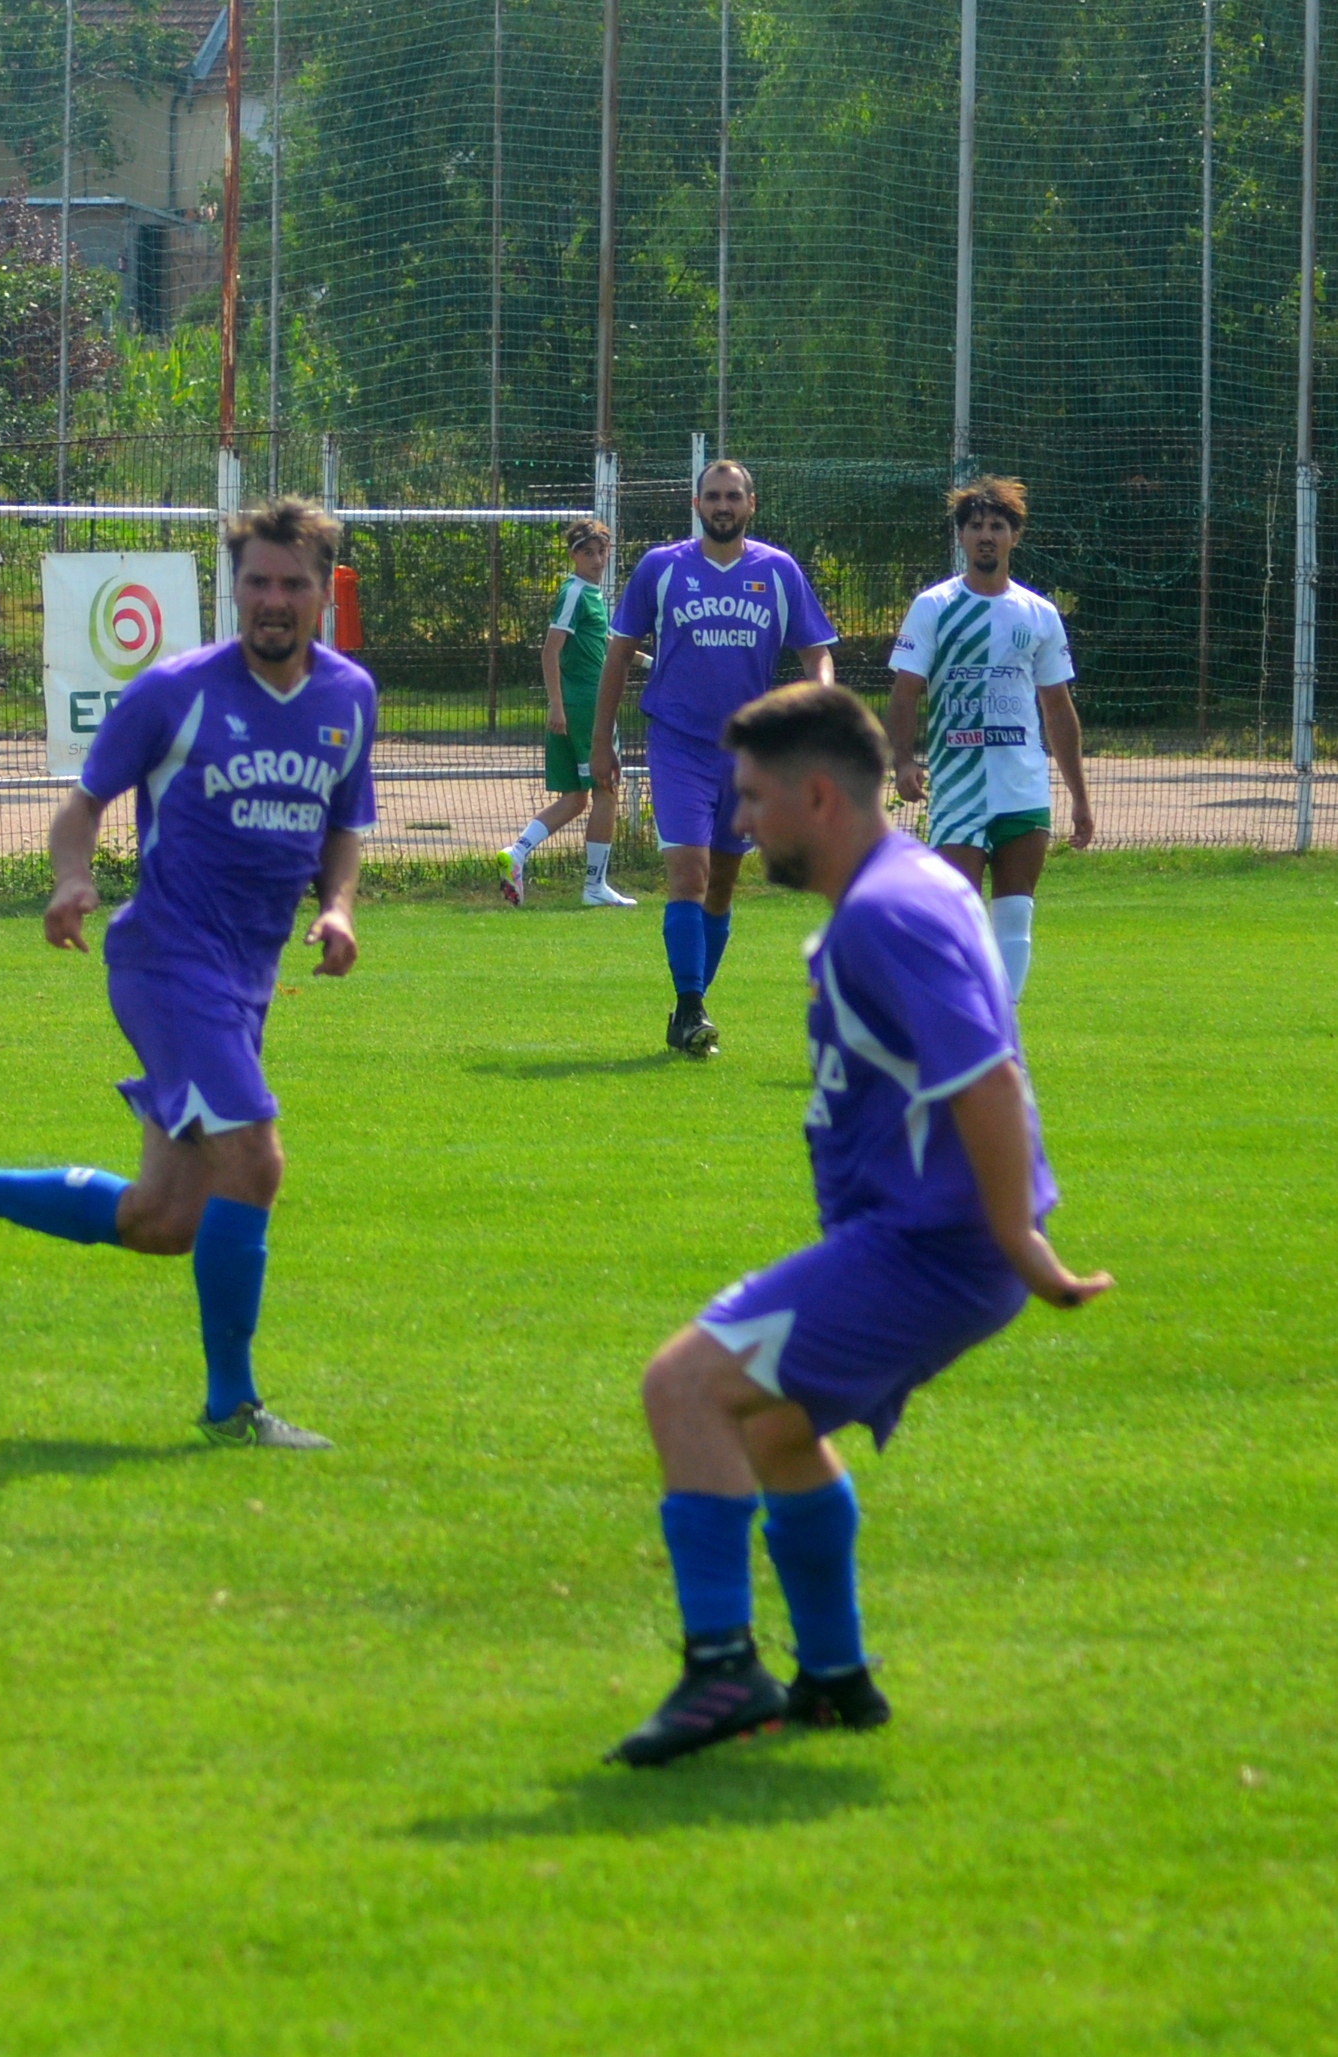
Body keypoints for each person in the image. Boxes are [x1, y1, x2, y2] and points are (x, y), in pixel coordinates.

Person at [605, 683, 1109, 1768]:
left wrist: (1019, 1241)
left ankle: (720, 1666)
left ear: (820, 798)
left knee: (682, 1385)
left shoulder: (888, 914)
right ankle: (835, 1678)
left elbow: (984, 1073)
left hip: (930, 1249)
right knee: (777, 1428)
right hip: (916, 1240)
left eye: (753, 798)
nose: (740, 821)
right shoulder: (913, 883)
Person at [0, 498, 371, 1451]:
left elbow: (344, 824)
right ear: (235, 588)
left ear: (322, 594)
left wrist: (338, 905)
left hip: (246, 978)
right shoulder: (174, 691)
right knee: (255, 1160)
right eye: (257, 581)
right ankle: (232, 1408)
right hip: (166, 961)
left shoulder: (350, 697)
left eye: (294, 583)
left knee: (163, 1219)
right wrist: (71, 879)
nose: (274, 599)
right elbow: (83, 806)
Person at [594, 461, 840, 1056]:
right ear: (696, 504)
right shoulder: (662, 567)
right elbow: (619, 655)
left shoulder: (777, 571)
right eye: (712, 496)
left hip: (748, 756)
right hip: (678, 745)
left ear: (751, 504)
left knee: (723, 886)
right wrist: (600, 740)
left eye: (733, 496)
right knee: (689, 873)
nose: (722, 505)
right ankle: (690, 1006)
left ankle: (690, 1007)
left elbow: (816, 654)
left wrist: (820, 709)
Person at [886, 477, 1091, 1000]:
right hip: (958, 788)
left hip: (1022, 786)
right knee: (953, 916)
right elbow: (906, 691)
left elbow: (1057, 708)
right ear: (960, 536)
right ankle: (952, 1016)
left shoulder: (1038, 613)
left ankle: (1000, 1029)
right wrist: (903, 760)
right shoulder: (934, 606)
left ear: (1013, 537)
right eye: (975, 525)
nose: (985, 535)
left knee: (1016, 912)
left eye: (997, 526)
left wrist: (1079, 796)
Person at [500, 519, 634, 908]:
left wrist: (652, 662)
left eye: (602, 551)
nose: (597, 560)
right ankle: (594, 886)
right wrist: (557, 706)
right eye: (588, 553)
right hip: (586, 706)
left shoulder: (589, 594)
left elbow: (602, 643)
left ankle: (516, 853)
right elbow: (550, 651)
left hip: (579, 705)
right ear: (573, 555)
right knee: (607, 789)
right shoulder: (574, 592)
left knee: (576, 798)